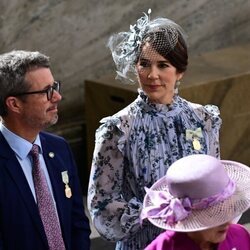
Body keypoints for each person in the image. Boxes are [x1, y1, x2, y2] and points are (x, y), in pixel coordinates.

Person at [88, 9, 222, 250]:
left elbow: (213, 187)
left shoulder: (204, 119)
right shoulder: (118, 129)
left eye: (163, 65)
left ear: (180, 71)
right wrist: (151, 210)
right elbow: (101, 206)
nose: (152, 75)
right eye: (144, 64)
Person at [0, 50, 91, 250]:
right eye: (46, 91)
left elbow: (78, 223)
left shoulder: (59, 148)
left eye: (55, 87)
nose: (58, 96)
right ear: (14, 104)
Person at [141, 154, 250, 250]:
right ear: (189, 216)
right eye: (215, 213)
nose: (227, 222)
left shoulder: (239, 236)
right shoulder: (164, 247)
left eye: (230, 208)